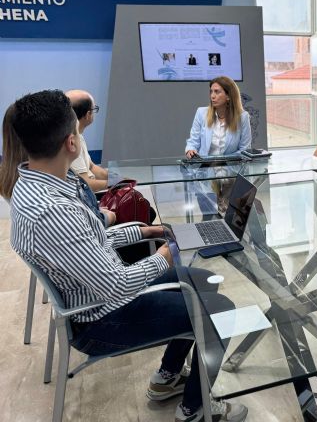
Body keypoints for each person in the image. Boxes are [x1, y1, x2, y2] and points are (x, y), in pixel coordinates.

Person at [8, 90, 248, 422]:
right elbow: (118, 285)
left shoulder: (35, 185)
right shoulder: (54, 210)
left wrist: (146, 232)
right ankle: (195, 409)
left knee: (205, 280)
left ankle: (167, 376)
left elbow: (90, 239)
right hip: (101, 320)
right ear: (71, 143)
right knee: (220, 312)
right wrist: (166, 254)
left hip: (96, 295)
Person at [0, 103, 116, 226]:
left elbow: (92, 167)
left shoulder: (9, 175)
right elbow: (79, 222)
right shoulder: (52, 175)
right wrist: (108, 215)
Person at [185, 76, 251, 159]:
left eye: (217, 92)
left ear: (229, 96)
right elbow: (193, 142)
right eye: (211, 92)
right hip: (205, 169)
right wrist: (190, 150)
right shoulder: (201, 113)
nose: (212, 96)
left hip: (232, 169)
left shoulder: (243, 117)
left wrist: (221, 160)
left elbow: (245, 150)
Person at [67, 89, 109, 192]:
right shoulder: (71, 141)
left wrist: (118, 179)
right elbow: (85, 184)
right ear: (88, 114)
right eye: (94, 109)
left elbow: (91, 166)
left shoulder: (78, 136)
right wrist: (115, 184)